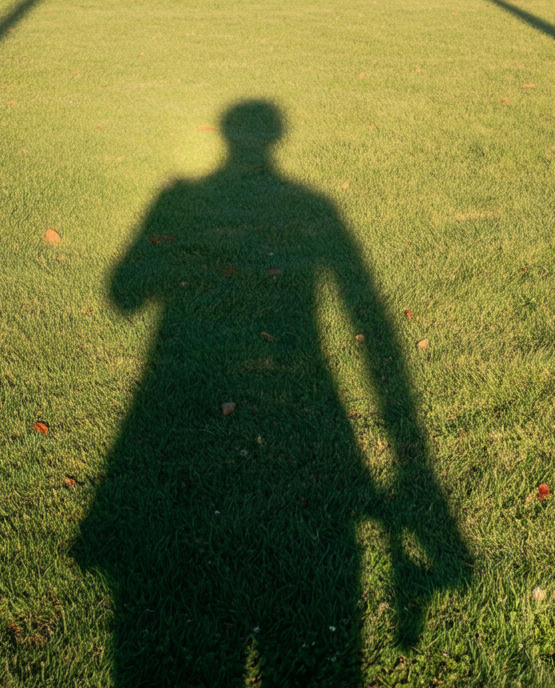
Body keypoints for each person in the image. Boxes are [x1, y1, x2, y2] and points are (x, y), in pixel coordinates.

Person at [74, 100, 469, 686]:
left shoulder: (180, 198)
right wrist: (412, 464)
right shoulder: (315, 208)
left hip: (188, 405)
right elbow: (371, 322)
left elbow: (123, 293)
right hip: (307, 399)